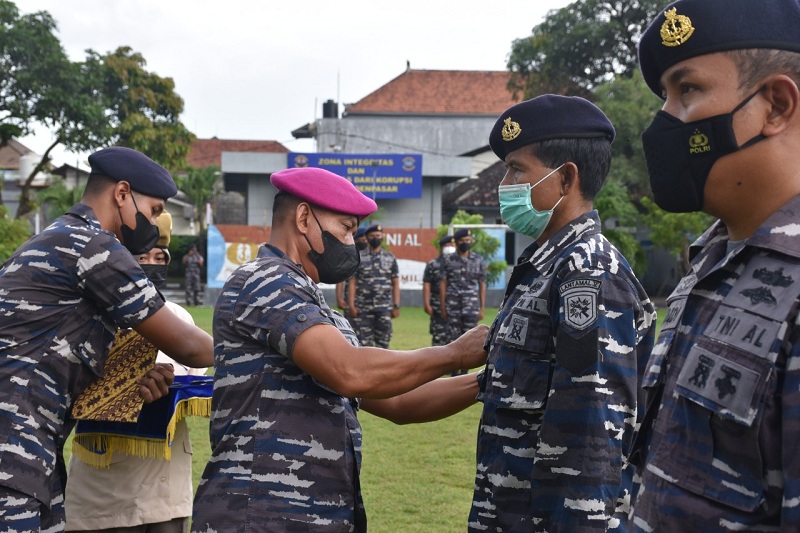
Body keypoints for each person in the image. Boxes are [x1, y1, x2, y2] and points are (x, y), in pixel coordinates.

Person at [191, 167, 488, 532]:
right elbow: (352, 371)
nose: (352, 243)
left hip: (314, 515)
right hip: (259, 515)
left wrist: (487, 382)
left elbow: (398, 401)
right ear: (303, 218)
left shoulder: (321, 312)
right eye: (346, 228)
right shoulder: (265, 281)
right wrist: (455, 353)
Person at [629, 1, 800, 529]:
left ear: (774, 106)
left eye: (688, 90)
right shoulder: (711, 262)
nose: (664, 121)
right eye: (665, 96)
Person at [467, 95, 656, 532]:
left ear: (566, 177)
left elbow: (590, 436)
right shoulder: (546, 265)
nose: (504, 182)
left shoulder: (585, 272)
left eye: (517, 169)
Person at [0, 146, 213, 531]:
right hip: (13, 447)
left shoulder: (53, 238)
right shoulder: (93, 246)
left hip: (33, 449)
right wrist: (259, 344)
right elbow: (189, 345)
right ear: (121, 194)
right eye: (152, 210)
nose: (154, 224)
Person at [65, 211, 209, 533]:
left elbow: (192, 372)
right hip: (106, 487)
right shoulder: (88, 317)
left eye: (159, 256)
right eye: (141, 256)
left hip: (166, 483)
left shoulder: (178, 317)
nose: (152, 263)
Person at [441, 228, 487, 374]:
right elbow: (443, 283)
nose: (466, 243)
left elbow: (482, 284)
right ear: (457, 242)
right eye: (463, 241)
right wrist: (443, 306)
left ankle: (464, 373)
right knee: (454, 341)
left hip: (471, 306)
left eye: (468, 241)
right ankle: (454, 373)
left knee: (470, 341)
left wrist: (482, 307)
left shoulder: (478, 260)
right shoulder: (448, 260)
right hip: (453, 306)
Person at [348, 223, 400, 348]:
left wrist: (396, 305)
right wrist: (351, 304)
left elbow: (395, 282)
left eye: (378, 235)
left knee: (384, 343)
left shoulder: (390, 258)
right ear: (366, 237)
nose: (375, 238)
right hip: (363, 308)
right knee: (364, 344)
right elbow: (352, 281)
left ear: (382, 237)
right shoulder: (358, 257)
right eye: (372, 236)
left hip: (384, 307)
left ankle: (383, 368)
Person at [423, 235, 456, 346]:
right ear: (442, 247)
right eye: (447, 245)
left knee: (456, 338)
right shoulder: (433, 264)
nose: (450, 247)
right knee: (439, 337)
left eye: (452, 245)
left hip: (456, 306)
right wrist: (427, 304)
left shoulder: (459, 263)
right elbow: (427, 285)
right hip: (437, 305)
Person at [336, 226, 367, 320]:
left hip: (369, 301)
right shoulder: (348, 256)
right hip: (352, 300)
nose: (364, 241)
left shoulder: (370, 257)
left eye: (365, 240)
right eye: (360, 239)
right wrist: (339, 298)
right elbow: (340, 279)